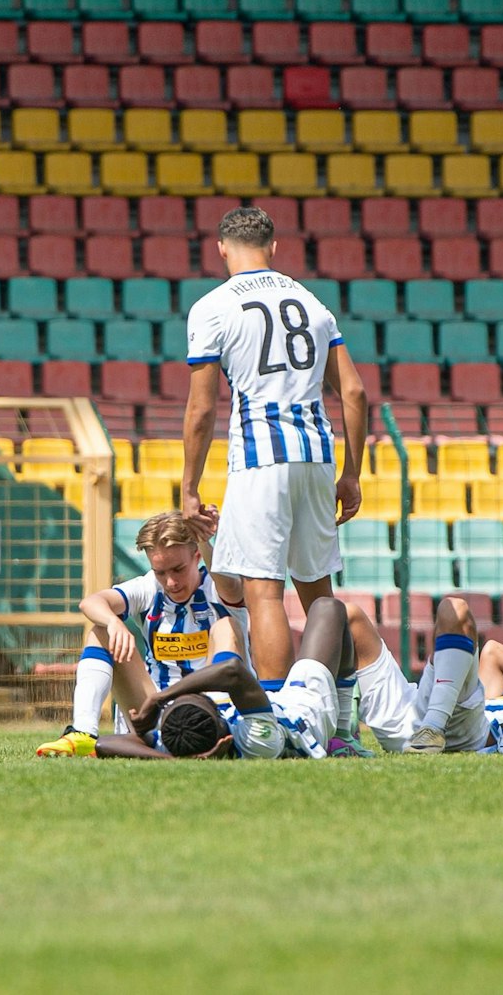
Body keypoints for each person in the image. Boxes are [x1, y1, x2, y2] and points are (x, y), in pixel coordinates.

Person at [179, 206, 370, 684]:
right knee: (320, 595)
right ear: (274, 248)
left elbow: (201, 410)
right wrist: (351, 473)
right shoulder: (311, 303)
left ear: (222, 249)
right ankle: (338, 714)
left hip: (260, 458)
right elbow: (354, 392)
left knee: (263, 592)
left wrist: (189, 486)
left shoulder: (213, 306)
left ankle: (277, 712)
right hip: (316, 455)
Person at [34, 509, 245, 757]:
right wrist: (113, 622)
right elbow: (90, 602)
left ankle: (216, 734)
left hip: (214, 714)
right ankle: (83, 733)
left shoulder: (218, 588)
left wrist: (204, 539)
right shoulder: (149, 587)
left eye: (178, 569)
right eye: (160, 572)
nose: (170, 582)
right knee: (101, 631)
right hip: (156, 713)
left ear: (197, 556)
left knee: (226, 626)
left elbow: (233, 590)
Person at [94, 596, 370, 760]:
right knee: (329, 608)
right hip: (306, 712)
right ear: (223, 740)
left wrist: (173, 760)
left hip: (274, 706)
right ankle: (343, 734)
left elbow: (104, 744)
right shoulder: (256, 741)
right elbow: (233, 671)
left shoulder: (181, 741)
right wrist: (160, 698)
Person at [339, 595, 490, 754]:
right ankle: (336, 732)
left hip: (459, 724)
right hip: (402, 722)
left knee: (454, 607)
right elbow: (494, 651)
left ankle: (433, 727)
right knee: (345, 613)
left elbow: (494, 651)